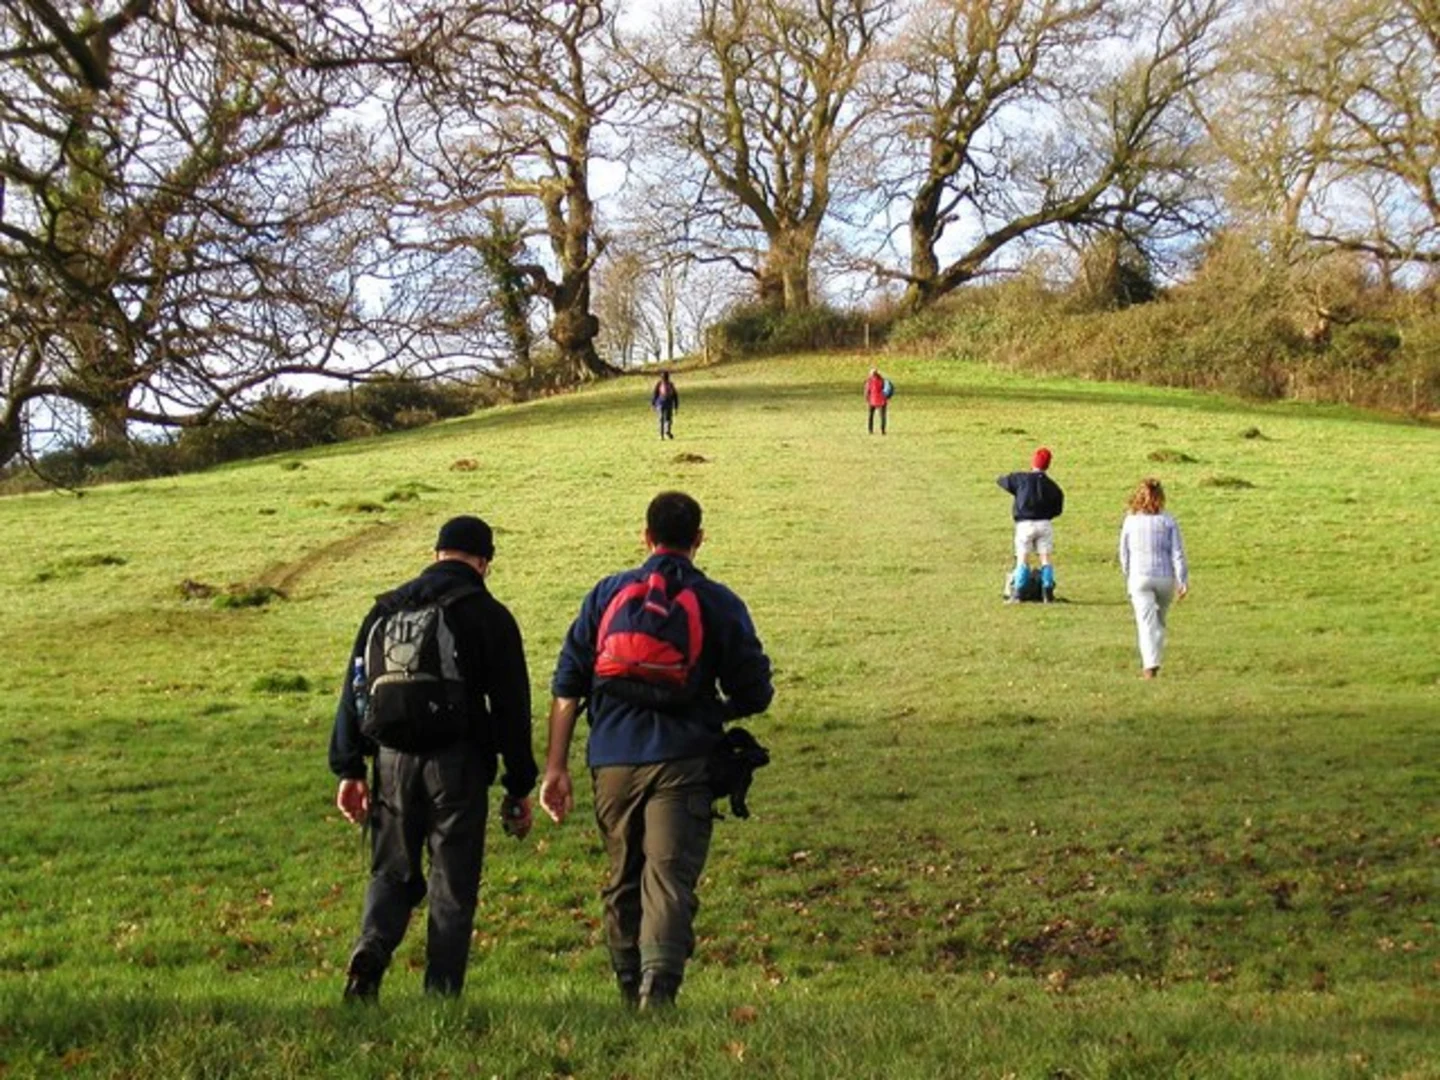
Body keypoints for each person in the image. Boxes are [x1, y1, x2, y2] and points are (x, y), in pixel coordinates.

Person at [540, 491, 774, 1010]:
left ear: (645, 536)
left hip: (612, 761)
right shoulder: (718, 601)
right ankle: (658, 992)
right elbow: (757, 690)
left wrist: (555, 767)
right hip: (684, 758)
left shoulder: (606, 593)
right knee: (667, 877)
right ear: (699, 539)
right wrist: (716, 711)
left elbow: (567, 684)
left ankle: (628, 987)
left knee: (623, 875)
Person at [329, 515, 538, 1002]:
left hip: (391, 760)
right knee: (453, 882)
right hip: (457, 765)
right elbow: (511, 705)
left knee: (391, 871)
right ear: (484, 561)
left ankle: (371, 952)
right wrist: (518, 782)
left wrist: (349, 768)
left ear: (436, 551)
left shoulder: (385, 608)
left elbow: (354, 690)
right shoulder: (488, 613)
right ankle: (440, 996)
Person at [1118, 477, 1190, 679]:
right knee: (1159, 621)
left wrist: (1128, 573)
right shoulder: (1168, 520)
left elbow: (1123, 551)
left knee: (1146, 622)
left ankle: (1150, 666)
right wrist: (1182, 579)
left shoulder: (1130, 520)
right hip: (1164, 577)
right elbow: (1177, 552)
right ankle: (1154, 661)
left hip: (1139, 576)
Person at [997, 447, 1065, 602]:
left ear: (1033, 462)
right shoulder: (1052, 486)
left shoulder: (1021, 479)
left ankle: (1019, 593)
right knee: (1045, 558)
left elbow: (1002, 481)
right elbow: (1058, 509)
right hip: (1045, 524)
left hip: (1025, 524)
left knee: (1023, 558)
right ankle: (1047, 592)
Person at [652, 371, 679, 439]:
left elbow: (655, 394)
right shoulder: (671, 384)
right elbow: (675, 396)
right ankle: (667, 432)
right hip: (668, 403)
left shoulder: (659, 384)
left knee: (661, 419)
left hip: (660, 403)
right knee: (668, 419)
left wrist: (653, 404)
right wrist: (676, 406)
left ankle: (661, 435)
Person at [864, 366, 890, 435]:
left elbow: (867, 391)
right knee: (882, 416)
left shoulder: (869, 381)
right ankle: (883, 430)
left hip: (872, 400)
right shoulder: (882, 380)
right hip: (882, 400)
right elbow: (887, 389)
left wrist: (867, 398)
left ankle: (870, 430)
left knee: (870, 416)